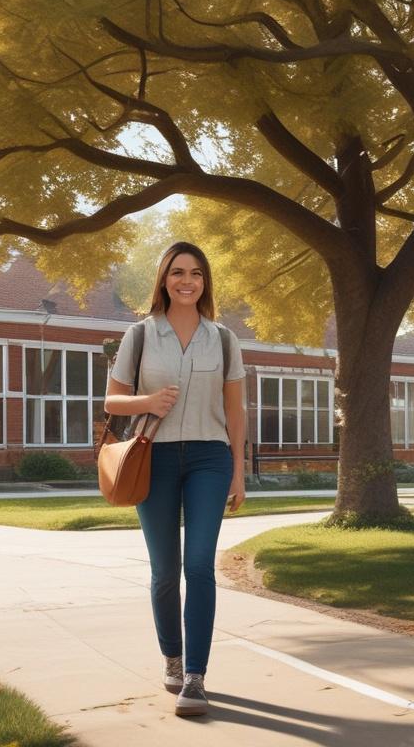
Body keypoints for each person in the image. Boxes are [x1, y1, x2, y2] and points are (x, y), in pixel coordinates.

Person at [104, 242, 246, 717]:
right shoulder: (140, 335)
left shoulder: (222, 339)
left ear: (205, 282)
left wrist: (238, 471)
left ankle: (195, 678)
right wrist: (147, 402)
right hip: (155, 457)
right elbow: (111, 402)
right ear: (164, 279)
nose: (188, 281)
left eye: (196, 273)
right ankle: (172, 657)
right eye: (178, 272)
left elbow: (235, 410)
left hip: (210, 458)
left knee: (199, 565)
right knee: (165, 571)